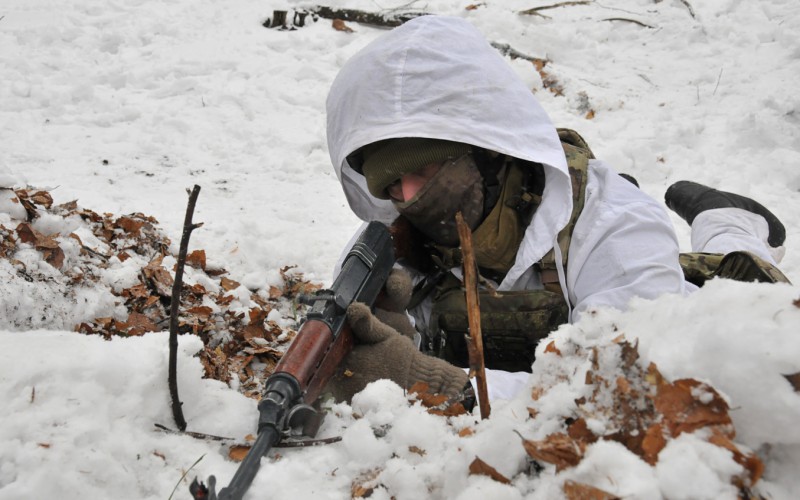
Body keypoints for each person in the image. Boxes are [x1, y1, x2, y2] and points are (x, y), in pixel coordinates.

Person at [323, 16, 789, 405]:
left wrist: (443, 387)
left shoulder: (617, 225)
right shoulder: (387, 250)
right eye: (391, 185)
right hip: (584, 333)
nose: (409, 197)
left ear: (489, 152)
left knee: (754, 307)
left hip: (678, 324)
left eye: (423, 170)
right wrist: (395, 337)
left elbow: (626, 392)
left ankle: (727, 221)